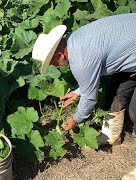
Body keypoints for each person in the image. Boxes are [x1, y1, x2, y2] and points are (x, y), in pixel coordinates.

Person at [32, 13, 136, 179]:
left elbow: (90, 98)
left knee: (135, 112)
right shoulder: (77, 38)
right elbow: (93, 73)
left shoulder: (80, 59)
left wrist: (76, 119)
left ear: (60, 55)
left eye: (53, 63)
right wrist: (76, 92)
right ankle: (112, 136)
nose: (57, 67)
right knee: (117, 89)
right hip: (131, 47)